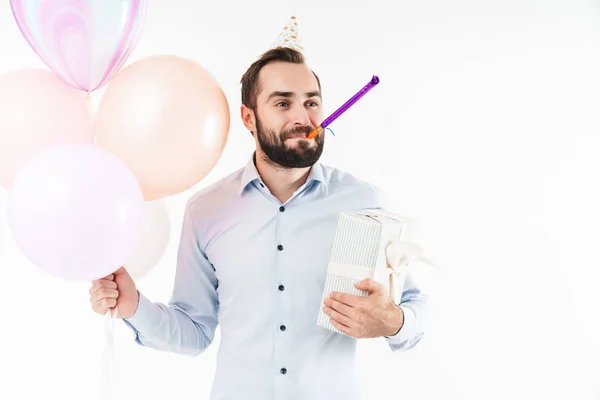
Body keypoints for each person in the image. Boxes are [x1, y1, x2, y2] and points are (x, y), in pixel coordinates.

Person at [88, 16, 427, 400]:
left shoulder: (365, 203)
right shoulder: (207, 211)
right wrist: (134, 306)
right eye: (283, 103)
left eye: (311, 102)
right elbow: (194, 332)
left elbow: (415, 307)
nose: (303, 118)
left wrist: (394, 320)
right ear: (249, 117)